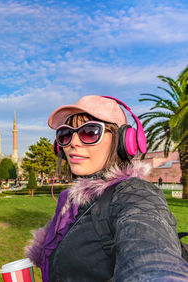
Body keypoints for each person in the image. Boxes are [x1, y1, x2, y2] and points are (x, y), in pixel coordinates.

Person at [25, 95, 188, 281]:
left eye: (90, 131)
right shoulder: (71, 204)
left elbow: (153, 260)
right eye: (65, 134)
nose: (73, 143)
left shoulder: (134, 194)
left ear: (122, 142)